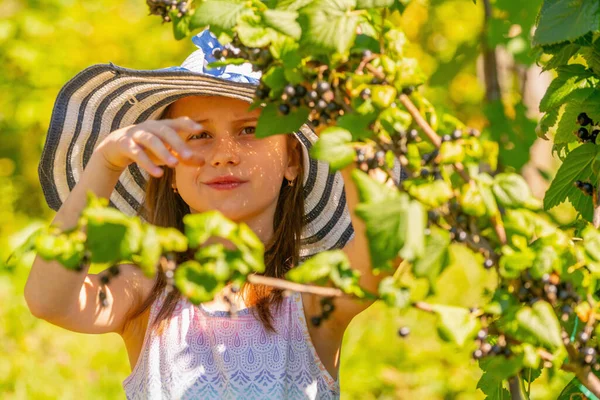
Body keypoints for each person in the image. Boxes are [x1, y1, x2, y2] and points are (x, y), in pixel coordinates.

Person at [25, 29, 401, 399]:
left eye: (250, 129)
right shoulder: (147, 288)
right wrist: (105, 164)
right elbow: (48, 301)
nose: (224, 154)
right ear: (170, 171)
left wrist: (339, 131)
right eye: (199, 136)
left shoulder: (312, 297)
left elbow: (386, 245)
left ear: (292, 160)